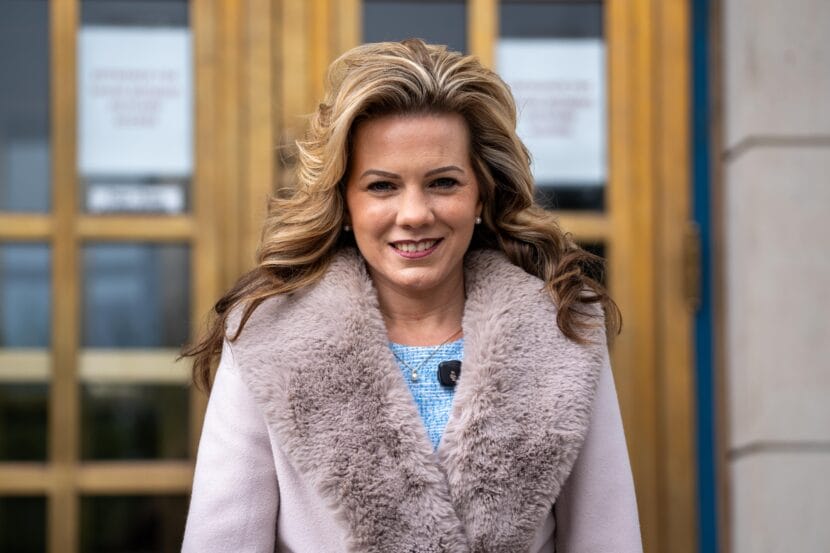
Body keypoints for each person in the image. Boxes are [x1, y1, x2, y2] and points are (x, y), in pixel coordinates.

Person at [181, 39, 642, 553]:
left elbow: (608, 539)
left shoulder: (562, 332)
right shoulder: (268, 337)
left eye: (443, 182)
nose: (415, 213)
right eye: (382, 186)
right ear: (345, 202)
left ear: (481, 196)